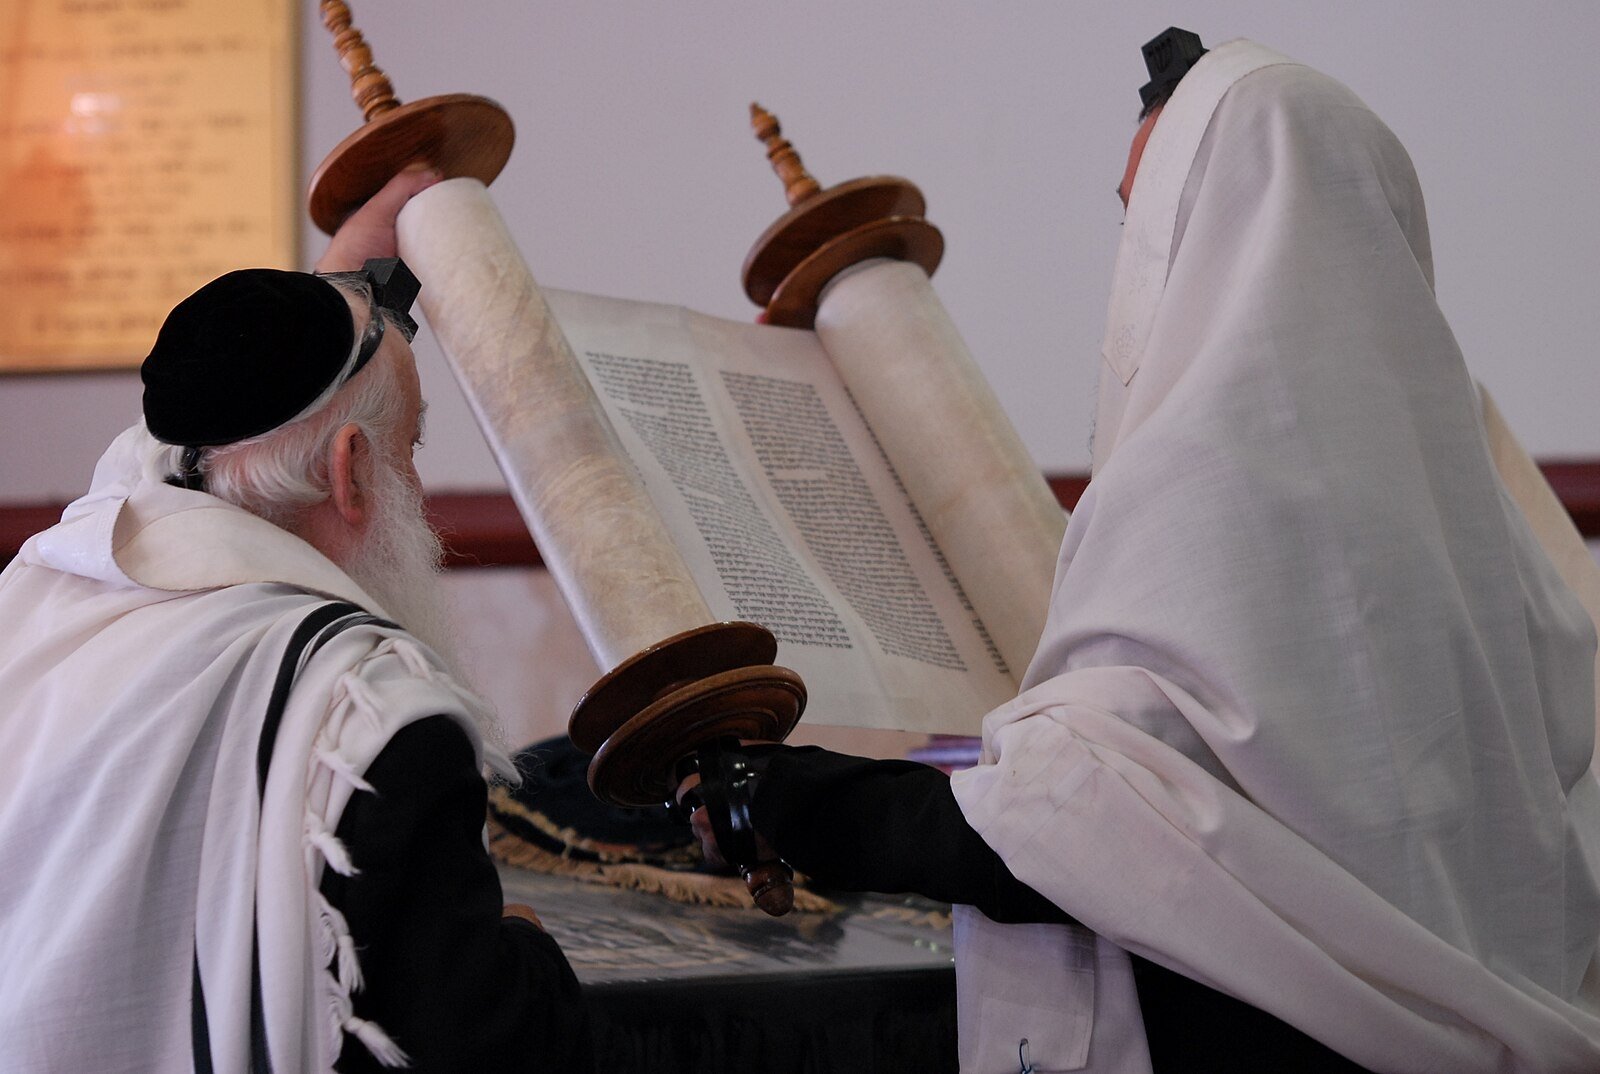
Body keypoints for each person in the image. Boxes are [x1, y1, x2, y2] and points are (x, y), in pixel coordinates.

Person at [681, 30, 1600, 1073]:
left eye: (1151, 218)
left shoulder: (1217, 484)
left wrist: (794, 801)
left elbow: (1092, 839)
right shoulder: (1479, 505)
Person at [0, 171, 594, 1072]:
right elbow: (474, 1044)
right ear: (351, 470)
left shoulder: (56, 586)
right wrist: (530, 954)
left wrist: (355, 270)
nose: (418, 485)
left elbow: (198, 410)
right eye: (412, 446)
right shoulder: (365, 710)